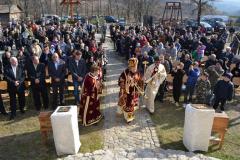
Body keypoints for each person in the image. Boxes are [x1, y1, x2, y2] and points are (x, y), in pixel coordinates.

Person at [117, 58, 144, 123]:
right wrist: (127, 83)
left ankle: (129, 116)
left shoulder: (137, 72)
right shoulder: (125, 73)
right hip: (126, 92)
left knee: (131, 105)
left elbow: (140, 80)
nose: (135, 68)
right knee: (127, 104)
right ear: (130, 66)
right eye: (134, 67)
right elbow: (120, 81)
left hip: (134, 92)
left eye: (136, 66)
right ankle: (128, 118)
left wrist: (141, 83)